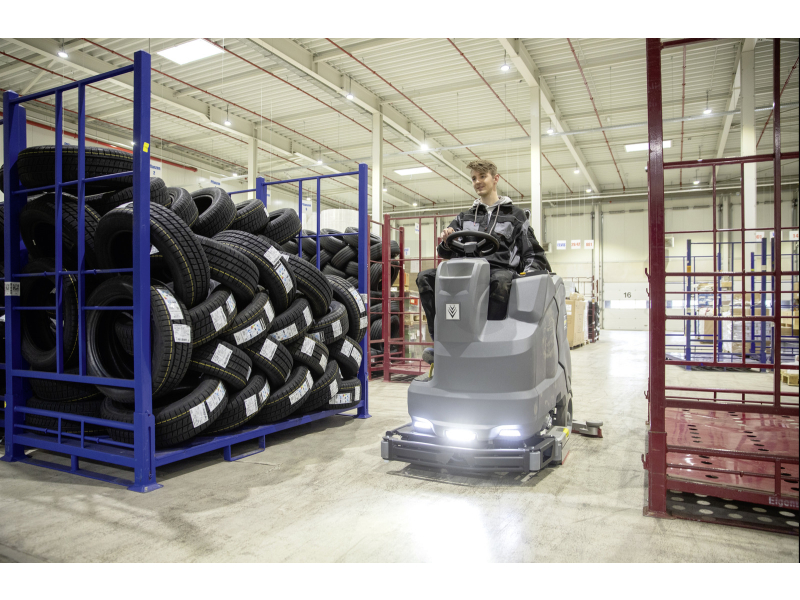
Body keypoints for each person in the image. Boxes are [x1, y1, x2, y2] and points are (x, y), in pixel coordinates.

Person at [416, 159, 550, 353]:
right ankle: (439, 341)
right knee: (425, 278)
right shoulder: (464, 217)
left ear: (495, 179)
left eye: (482, 176)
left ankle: (490, 342)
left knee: (501, 281)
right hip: (466, 270)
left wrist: (529, 273)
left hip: (498, 270)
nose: (477, 181)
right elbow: (445, 251)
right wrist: (446, 239)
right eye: (473, 178)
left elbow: (532, 252)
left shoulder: (515, 216)